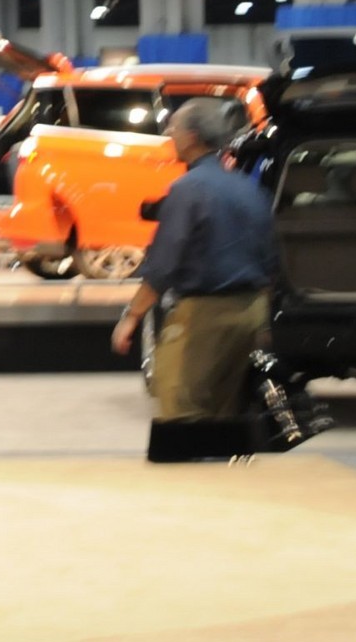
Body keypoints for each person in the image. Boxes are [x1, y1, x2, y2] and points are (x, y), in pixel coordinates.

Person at [111, 97, 280, 430]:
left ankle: (188, 477)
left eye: (173, 128)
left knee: (180, 406)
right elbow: (270, 256)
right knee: (224, 411)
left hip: (205, 315)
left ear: (192, 136)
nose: (170, 135)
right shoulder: (249, 189)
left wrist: (131, 317)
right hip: (251, 310)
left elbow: (163, 264)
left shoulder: (188, 190)